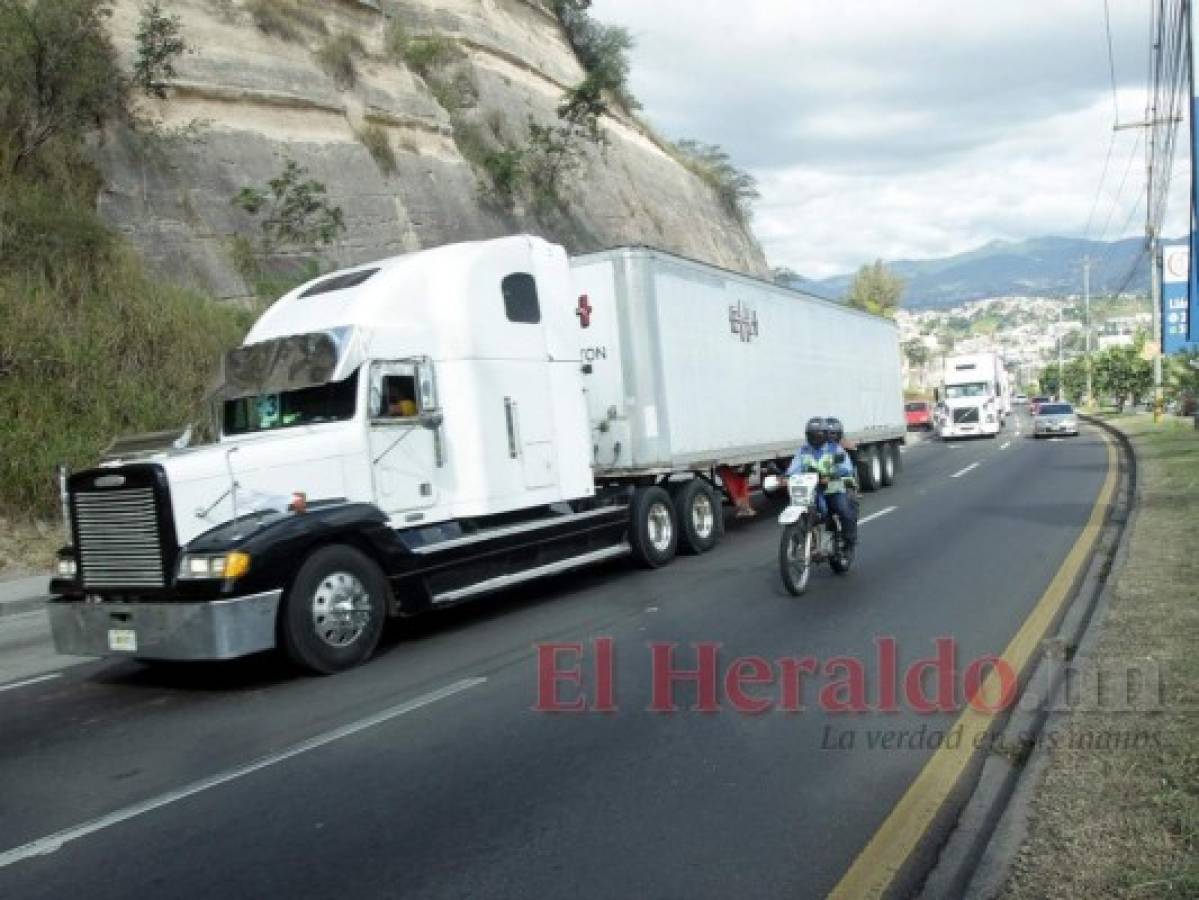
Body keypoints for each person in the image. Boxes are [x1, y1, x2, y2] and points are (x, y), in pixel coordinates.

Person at [785, 416, 858, 547]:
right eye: (811, 435)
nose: (815, 438)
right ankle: (803, 538)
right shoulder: (803, 450)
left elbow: (846, 468)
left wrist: (831, 476)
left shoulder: (835, 449)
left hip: (833, 488)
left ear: (825, 435)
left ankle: (849, 540)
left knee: (843, 510)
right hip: (811, 490)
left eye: (818, 435)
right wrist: (786, 477)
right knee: (802, 510)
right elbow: (794, 467)